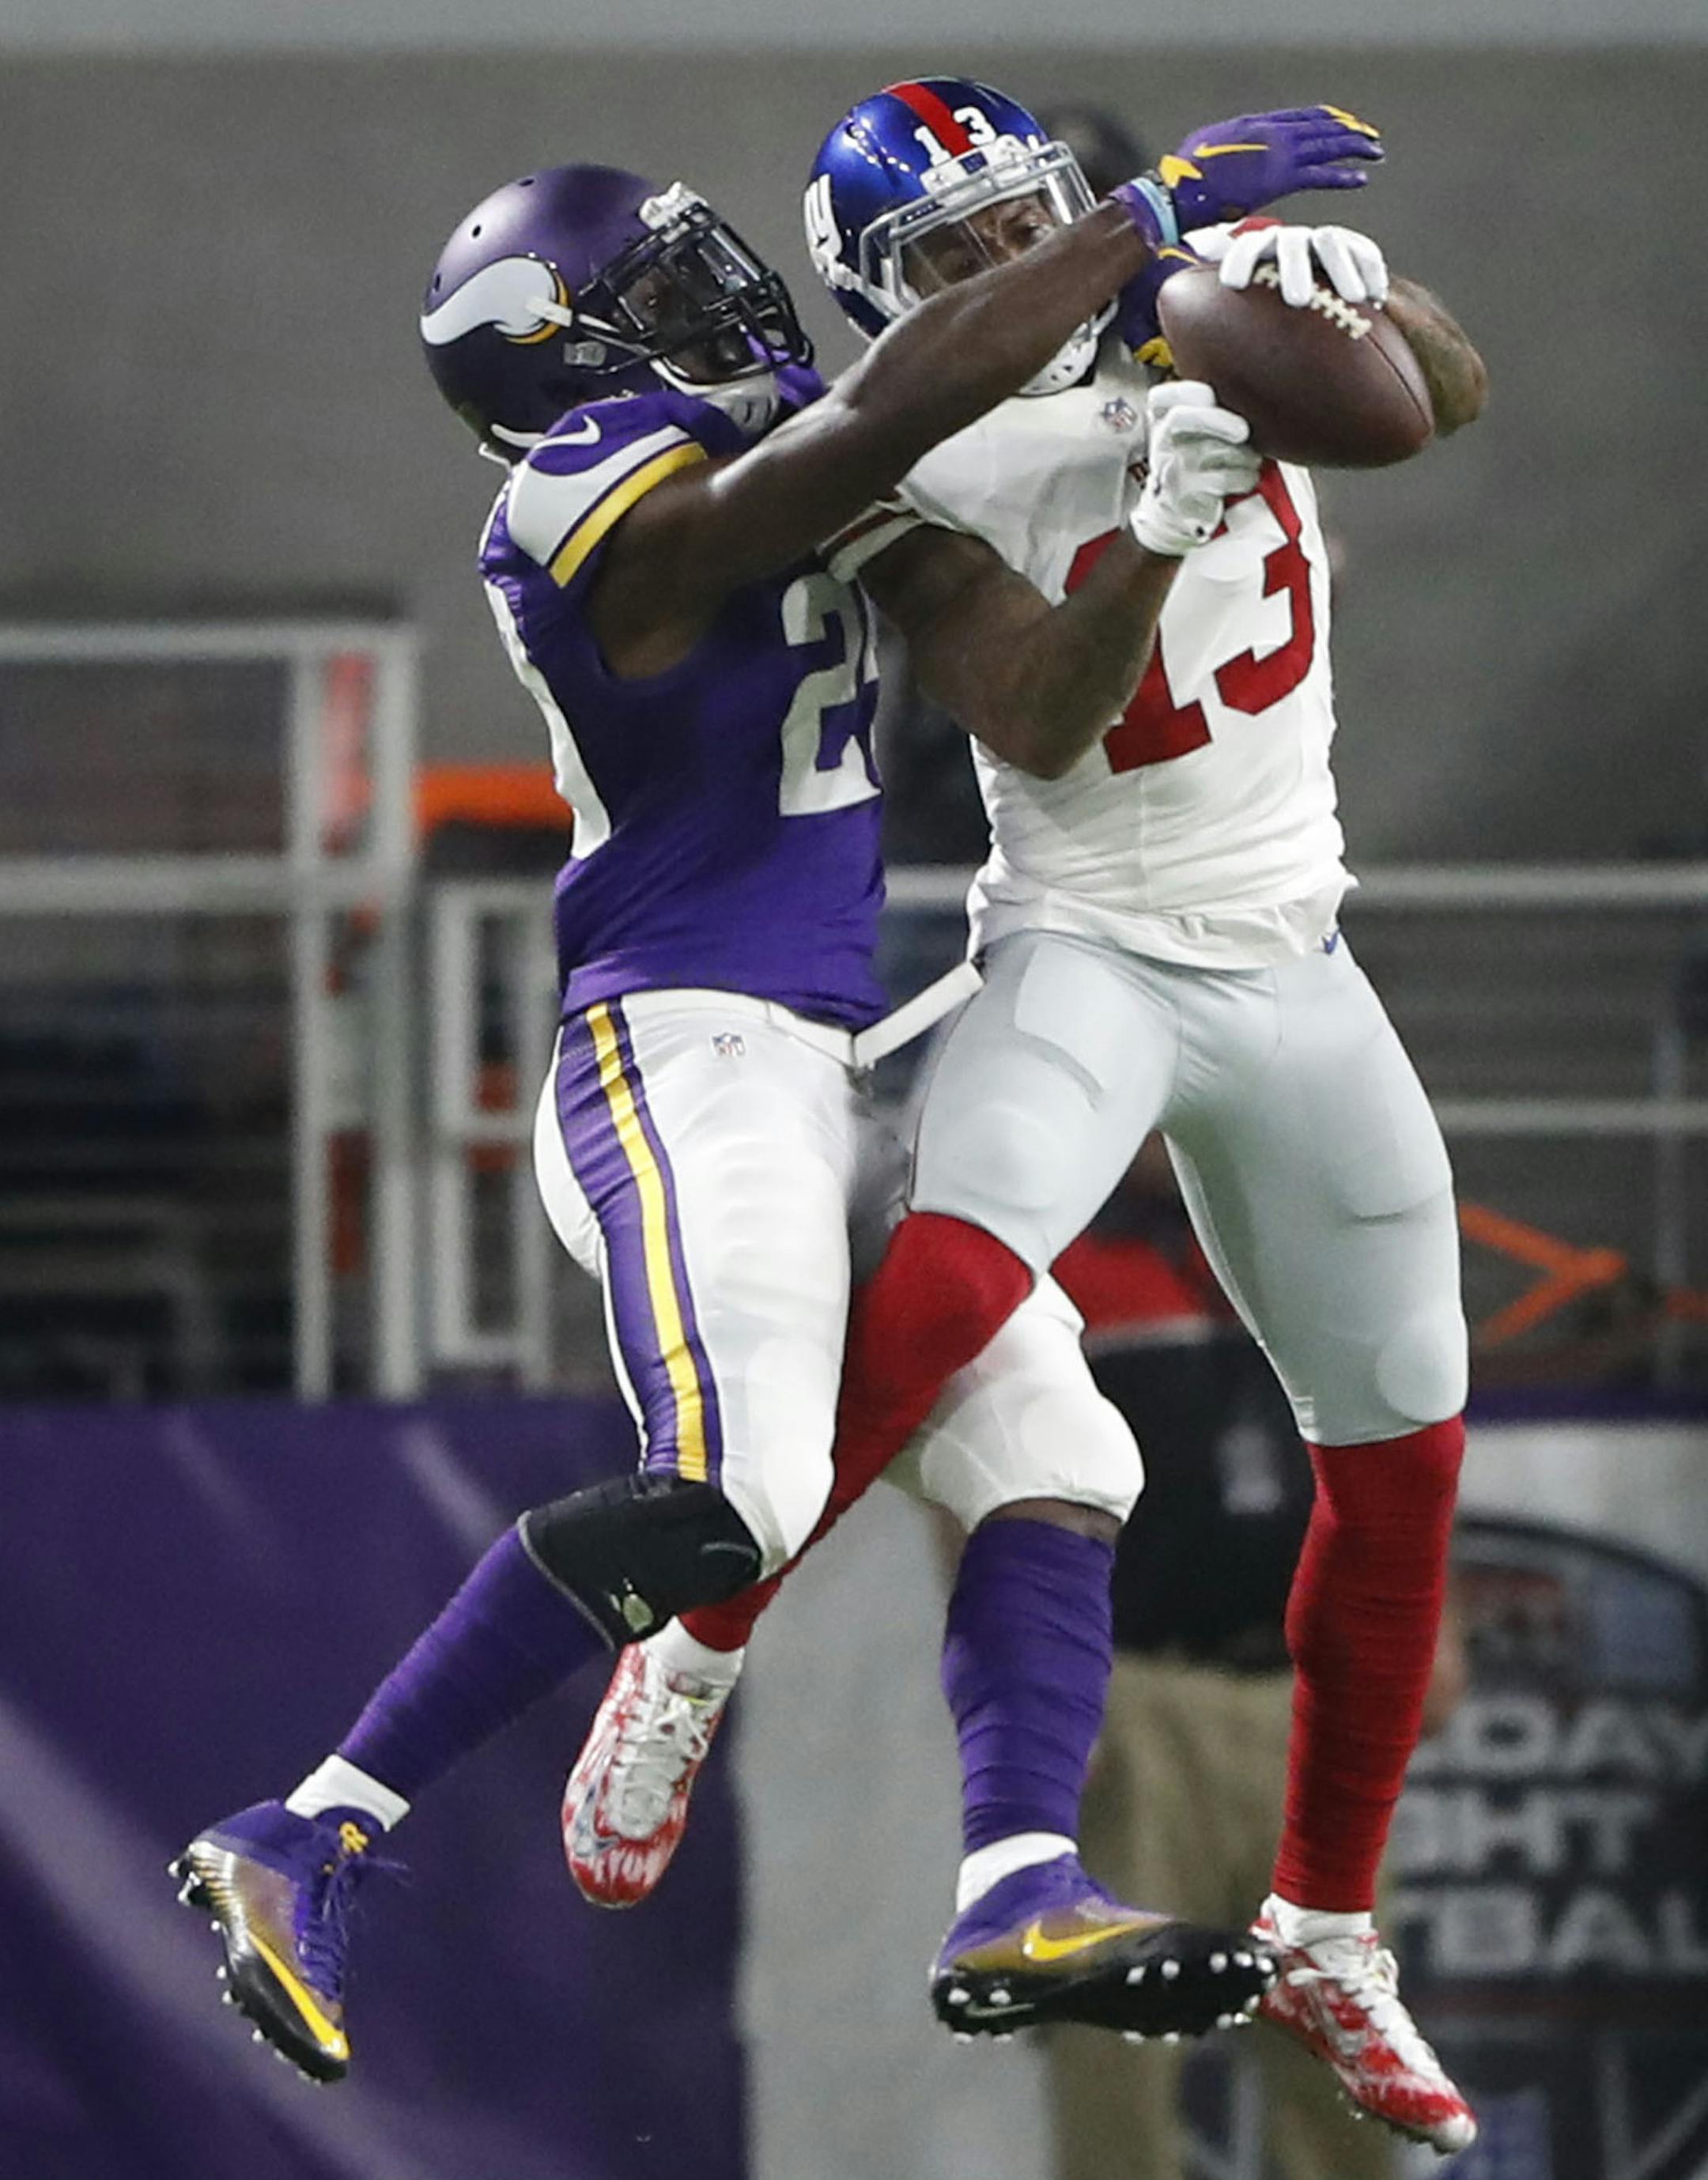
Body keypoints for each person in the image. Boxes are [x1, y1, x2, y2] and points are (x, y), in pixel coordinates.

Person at [171, 149, 1290, 2085]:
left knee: (1065, 1450)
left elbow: (1028, 691)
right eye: (662, 288)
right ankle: (310, 1823)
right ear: (556, 351)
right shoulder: (584, 486)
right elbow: (831, 451)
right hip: (678, 1049)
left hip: (829, 1060)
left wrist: (1168, 513)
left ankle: (1019, 1875)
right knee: (736, 1489)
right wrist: (1141, 217)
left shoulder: (820, 449)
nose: (723, 301)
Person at [564, 80, 1487, 2157]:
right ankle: (691, 1662)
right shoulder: (899, 456)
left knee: (1411, 1436)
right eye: (956, 250)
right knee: (949, 1289)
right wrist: (1155, 530)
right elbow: (1043, 712)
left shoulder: (1194, 309)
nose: (1006, 271)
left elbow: (1445, 392)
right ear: (888, 290)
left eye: (1022, 226)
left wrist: (1360, 289)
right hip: (1085, 942)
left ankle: (1331, 1926)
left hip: (1296, 957)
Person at [1046, 1144, 1468, 2180]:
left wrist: (1432, 1624)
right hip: (1143, 1700)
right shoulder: (1051, 1262)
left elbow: (1397, 1453)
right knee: (1116, 2051)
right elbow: (992, 1492)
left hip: (1312, 1709)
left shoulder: (1321, 1256)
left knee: (1344, 2057)